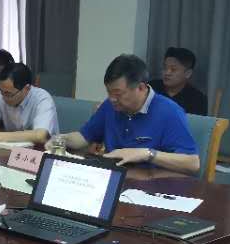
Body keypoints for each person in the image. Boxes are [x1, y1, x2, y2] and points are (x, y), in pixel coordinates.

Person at [61, 54, 201, 175]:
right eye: (109, 92)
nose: (112, 99)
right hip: (115, 178)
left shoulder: (169, 112)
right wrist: (60, 140)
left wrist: (146, 154)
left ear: (141, 87)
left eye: (118, 94)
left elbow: (193, 163)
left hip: (152, 185)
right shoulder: (110, 106)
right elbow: (84, 137)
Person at [0, 63, 59, 145]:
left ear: (26, 89)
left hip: (42, 152)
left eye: (8, 94)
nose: (4, 97)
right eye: (1, 91)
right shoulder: (2, 97)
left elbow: (41, 135)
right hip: (12, 152)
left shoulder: (42, 99)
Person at [149, 47, 209, 116]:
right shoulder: (150, 88)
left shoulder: (198, 99)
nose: (167, 73)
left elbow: (196, 122)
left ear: (188, 73)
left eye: (173, 69)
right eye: (165, 68)